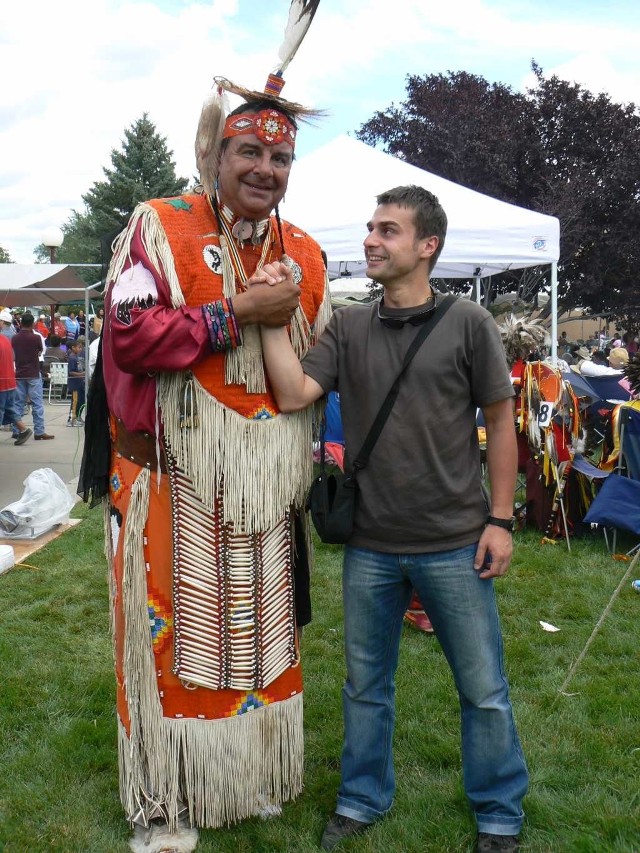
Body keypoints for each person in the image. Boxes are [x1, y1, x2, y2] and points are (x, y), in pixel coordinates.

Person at [79, 49, 329, 853]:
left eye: (280, 155)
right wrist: (234, 312)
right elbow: (130, 335)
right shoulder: (161, 225)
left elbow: (315, 370)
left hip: (263, 493)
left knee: (256, 640)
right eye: (249, 150)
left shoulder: (310, 255)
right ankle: (163, 796)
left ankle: (244, 777)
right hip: (169, 479)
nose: (265, 166)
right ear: (214, 154)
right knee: (171, 643)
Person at [260, 185, 529, 853]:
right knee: (364, 687)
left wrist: (501, 519)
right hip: (372, 545)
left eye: (389, 230)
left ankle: (498, 812)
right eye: (371, 227)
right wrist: (268, 318)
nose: (372, 240)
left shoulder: (468, 322)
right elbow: (295, 392)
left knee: (484, 689)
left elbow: (500, 421)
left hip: (456, 542)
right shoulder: (350, 327)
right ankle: (360, 797)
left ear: (427, 245)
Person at [11, 312, 54, 441]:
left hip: (19, 373)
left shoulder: (15, 338)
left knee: (18, 404)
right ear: (32, 323)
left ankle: (17, 430)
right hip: (33, 373)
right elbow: (40, 351)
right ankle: (39, 431)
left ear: (21, 322)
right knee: (37, 404)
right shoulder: (36, 337)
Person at [0, 333, 32, 445]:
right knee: (10, 409)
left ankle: (23, 430)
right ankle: (23, 430)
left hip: (2, 382)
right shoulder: (4, 339)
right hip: (9, 381)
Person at [66, 340, 85, 426]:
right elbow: (70, 372)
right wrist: (81, 374)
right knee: (75, 401)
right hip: (74, 384)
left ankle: (78, 416)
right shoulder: (72, 358)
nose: (80, 349)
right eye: (79, 347)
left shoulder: (76, 357)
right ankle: (72, 419)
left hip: (80, 383)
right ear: (73, 348)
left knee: (81, 401)